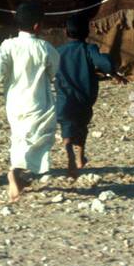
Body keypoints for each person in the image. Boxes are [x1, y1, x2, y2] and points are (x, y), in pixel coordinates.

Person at [0, 1, 61, 202]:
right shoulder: (45, 47)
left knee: (19, 137)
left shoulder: (8, 46)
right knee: (40, 137)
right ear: (37, 26)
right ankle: (20, 173)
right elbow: (55, 70)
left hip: (15, 101)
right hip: (39, 101)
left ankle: (18, 173)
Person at [55, 12, 127, 179]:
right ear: (87, 33)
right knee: (81, 127)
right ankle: (80, 158)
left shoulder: (58, 52)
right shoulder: (89, 49)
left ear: (66, 32)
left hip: (64, 98)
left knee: (67, 126)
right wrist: (114, 73)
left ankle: (68, 151)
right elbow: (106, 64)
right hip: (84, 99)